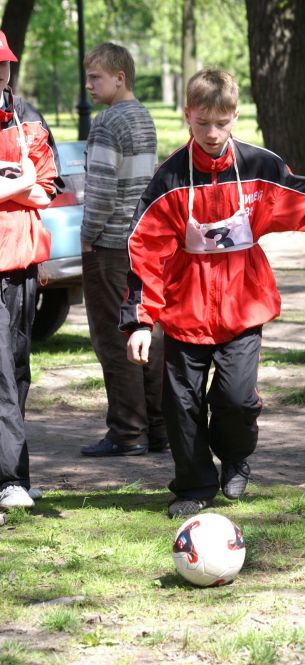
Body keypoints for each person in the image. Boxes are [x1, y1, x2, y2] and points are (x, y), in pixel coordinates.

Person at [120, 68, 305, 518]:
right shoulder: (169, 179)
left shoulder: (259, 167)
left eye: (221, 123)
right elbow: (144, 250)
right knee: (181, 405)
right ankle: (194, 485)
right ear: (188, 115)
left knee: (236, 400)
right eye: (202, 123)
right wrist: (140, 321)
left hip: (243, 307)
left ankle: (235, 457)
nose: (212, 134)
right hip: (184, 313)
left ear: (235, 116)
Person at [80, 43, 168, 458]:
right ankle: (159, 427)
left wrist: (87, 236)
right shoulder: (143, 117)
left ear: (120, 78)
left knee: (114, 339)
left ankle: (127, 432)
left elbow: (100, 191)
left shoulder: (107, 123)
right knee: (146, 332)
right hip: (141, 243)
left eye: (95, 77)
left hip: (110, 244)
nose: (88, 85)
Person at [0, 31, 62, 510]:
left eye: (3, 65)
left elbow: (46, 191)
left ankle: (15, 474)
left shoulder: (29, 118)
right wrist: (21, 181)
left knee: (18, 367)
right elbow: (30, 185)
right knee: (0, 370)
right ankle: (7, 480)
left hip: (23, 262)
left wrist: (18, 185)